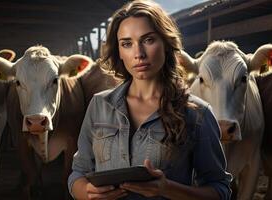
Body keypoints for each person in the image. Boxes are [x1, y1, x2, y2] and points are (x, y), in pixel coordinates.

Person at [68, 0, 232, 199]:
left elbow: (220, 190)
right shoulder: (99, 105)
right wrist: (86, 193)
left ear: (166, 43)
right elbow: (78, 172)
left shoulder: (197, 113)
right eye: (127, 44)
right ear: (119, 51)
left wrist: (167, 189)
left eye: (148, 40)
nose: (138, 54)